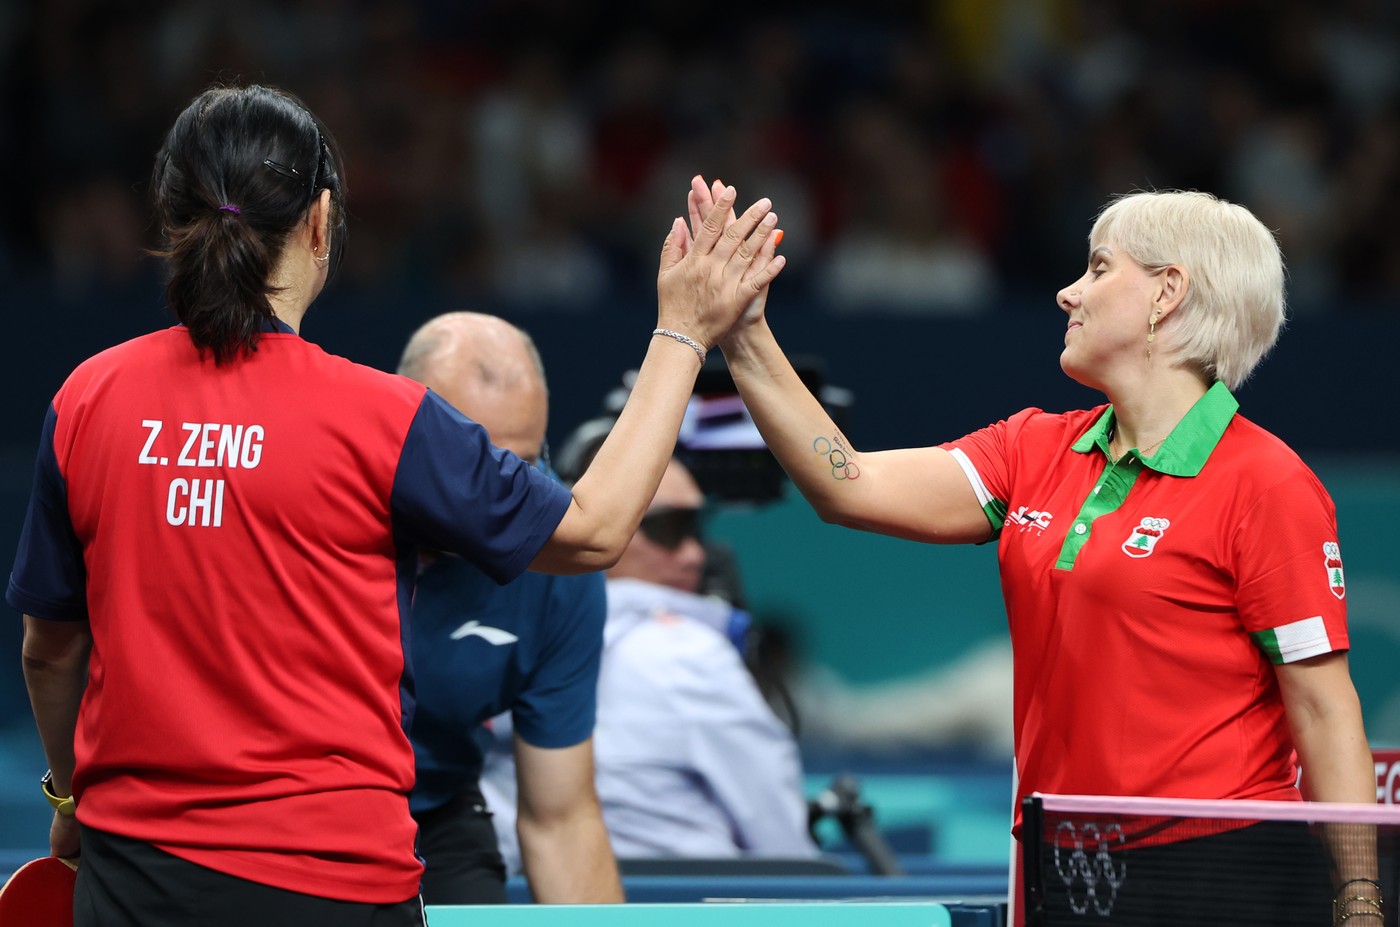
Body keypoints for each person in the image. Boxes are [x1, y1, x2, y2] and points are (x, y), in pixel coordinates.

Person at [5, 81, 782, 927]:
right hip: (337, 887)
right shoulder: (381, 418)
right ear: (320, 223)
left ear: (171, 217)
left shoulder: (89, 399)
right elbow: (594, 530)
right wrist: (682, 328)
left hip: (136, 882)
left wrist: (73, 799)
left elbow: (50, 650)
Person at [697, 177, 1378, 923]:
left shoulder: (1266, 481)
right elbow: (849, 484)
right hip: (1061, 860)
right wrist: (745, 330)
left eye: (1098, 267)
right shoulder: (1033, 449)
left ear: (1167, 293)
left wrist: (1360, 898)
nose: (1066, 293)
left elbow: (1322, 705)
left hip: (1217, 866)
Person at [485, 454, 817, 862]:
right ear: (589, 524)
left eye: (697, 528)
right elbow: (786, 852)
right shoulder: (686, 653)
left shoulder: (492, 642)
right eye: (668, 529)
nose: (695, 555)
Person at [395, 311, 622, 904]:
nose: (502, 497)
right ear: (404, 437)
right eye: (477, 465)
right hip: (281, 811)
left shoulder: (558, 565)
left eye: (522, 465)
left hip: (435, 811)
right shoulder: (315, 512)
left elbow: (562, 821)